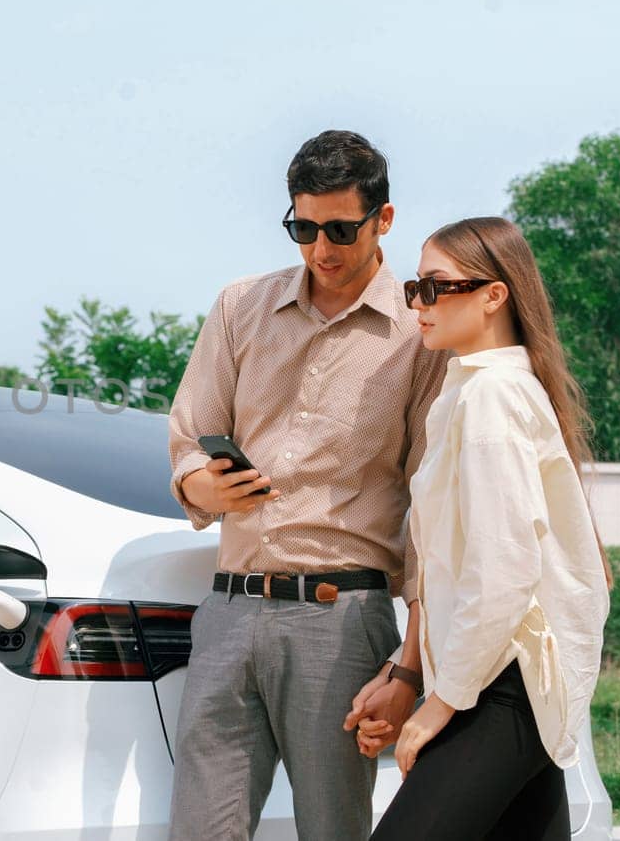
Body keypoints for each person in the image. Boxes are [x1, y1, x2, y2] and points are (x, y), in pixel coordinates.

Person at [166, 130, 449, 841]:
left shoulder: (421, 334)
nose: (321, 247)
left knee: (332, 831)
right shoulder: (240, 307)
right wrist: (207, 488)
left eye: (341, 229)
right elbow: (188, 439)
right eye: (303, 228)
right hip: (229, 611)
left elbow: (433, 507)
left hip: (342, 621)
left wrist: (409, 668)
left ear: (383, 220)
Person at [363, 217, 613, 840]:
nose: (417, 302)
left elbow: (504, 571)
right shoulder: (475, 390)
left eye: (436, 286)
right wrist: (410, 667)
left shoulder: (492, 395)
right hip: (507, 681)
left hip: (501, 687)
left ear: (493, 295)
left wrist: (438, 707)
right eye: (414, 287)